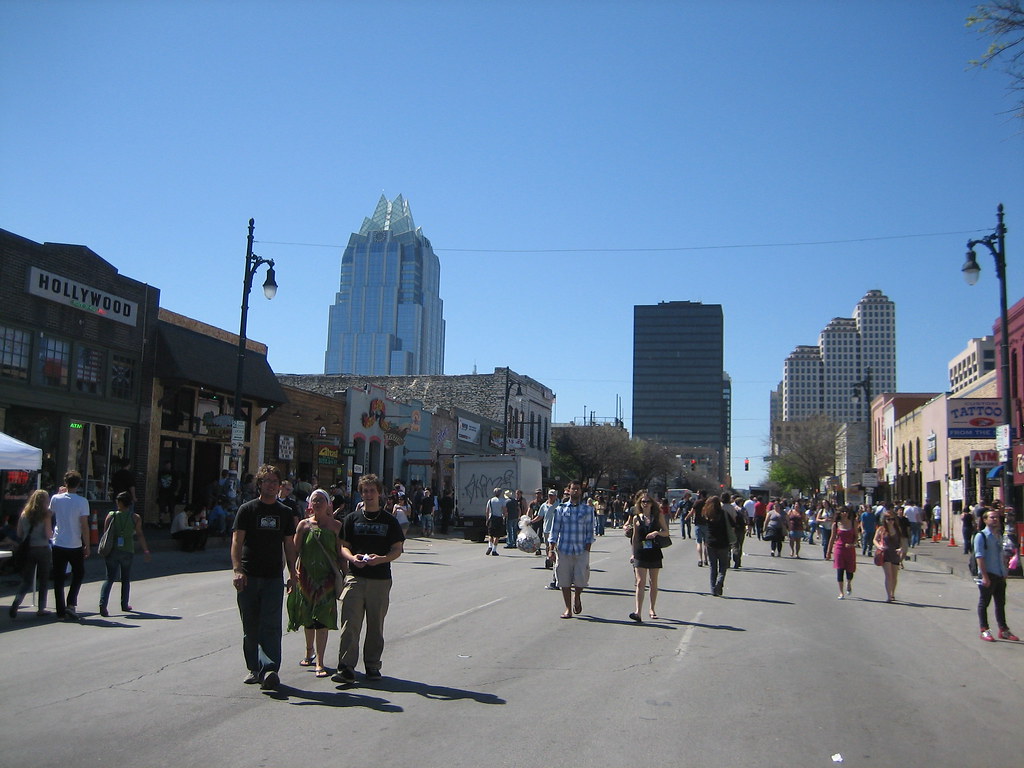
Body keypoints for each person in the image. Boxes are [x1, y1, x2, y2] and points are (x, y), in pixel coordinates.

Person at [231, 465, 298, 690]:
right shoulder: (247, 509)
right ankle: (254, 668)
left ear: (280, 486)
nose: (270, 484)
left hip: (272, 577)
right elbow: (237, 542)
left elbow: (289, 544)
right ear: (259, 484)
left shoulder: (285, 512)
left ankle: (270, 669)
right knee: (250, 627)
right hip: (249, 577)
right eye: (266, 481)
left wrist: (293, 572)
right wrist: (238, 569)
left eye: (274, 481)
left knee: (270, 625)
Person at [333, 474, 405, 683]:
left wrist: (381, 559)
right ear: (361, 493)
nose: (368, 494)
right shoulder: (352, 519)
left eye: (372, 490)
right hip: (355, 577)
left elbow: (397, 549)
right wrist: (352, 558)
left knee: (375, 626)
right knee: (350, 624)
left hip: (380, 580)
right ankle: (346, 667)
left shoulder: (389, 521)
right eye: (365, 491)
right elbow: (343, 547)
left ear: (379, 493)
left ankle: (372, 666)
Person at [287, 488, 343, 677]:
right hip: (306, 579)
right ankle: (308, 650)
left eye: (321, 500)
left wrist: (346, 575)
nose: (317, 503)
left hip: (326, 581)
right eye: (314, 500)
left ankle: (320, 661)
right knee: (308, 619)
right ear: (310, 504)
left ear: (328, 504)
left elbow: (341, 553)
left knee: (322, 619)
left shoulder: (336, 527)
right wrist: (291, 574)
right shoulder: (303, 525)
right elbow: (294, 551)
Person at [99, 491, 151, 617]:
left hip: (112, 550)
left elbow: (105, 532)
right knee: (125, 578)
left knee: (109, 578)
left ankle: (103, 604)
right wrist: (146, 550)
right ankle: (124, 604)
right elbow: (139, 534)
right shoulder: (135, 518)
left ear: (120, 503)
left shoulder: (111, 515)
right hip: (128, 550)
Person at [548, 481, 594, 619]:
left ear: (581, 491)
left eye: (578, 489)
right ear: (569, 490)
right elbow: (554, 530)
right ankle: (568, 608)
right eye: (573, 489)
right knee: (564, 580)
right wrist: (551, 549)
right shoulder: (561, 509)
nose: (575, 491)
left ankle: (577, 596)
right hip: (564, 550)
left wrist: (587, 549)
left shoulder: (587, 510)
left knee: (581, 581)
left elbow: (590, 531)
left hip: (581, 550)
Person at [50, 470, 90, 621]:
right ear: (78, 484)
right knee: (78, 573)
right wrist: (86, 544)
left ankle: (60, 611)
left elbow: (50, 513)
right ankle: (71, 603)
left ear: (65, 483)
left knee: (59, 577)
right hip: (74, 543)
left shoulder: (55, 498)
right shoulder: (82, 501)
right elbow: (84, 525)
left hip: (59, 542)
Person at [974, 508, 1019, 642]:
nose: (995, 520)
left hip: (999, 575)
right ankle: (984, 630)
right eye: (992, 517)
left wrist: (1005, 571)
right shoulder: (981, 536)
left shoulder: (999, 535)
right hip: (988, 575)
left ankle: (1003, 630)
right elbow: (979, 557)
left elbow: (1001, 555)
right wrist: (985, 576)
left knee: (1000, 604)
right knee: (984, 603)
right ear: (985, 520)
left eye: (996, 518)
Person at [8, 489, 53, 619]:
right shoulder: (46, 514)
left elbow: (19, 533)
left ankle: (17, 601)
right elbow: (48, 534)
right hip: (43, 548)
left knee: (27, 580)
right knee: (43, 580)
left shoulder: (24, 514)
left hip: (29, 549)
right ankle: (41, 608)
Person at [626, 491, 669, 622]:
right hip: (640, 552)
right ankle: (638, 612)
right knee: (640, 582)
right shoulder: (636, 518)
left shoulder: (658, 516)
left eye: (647, 502)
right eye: (643, 502)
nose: (645, 504)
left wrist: (656, 533)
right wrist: (633, 553)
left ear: (652, 504)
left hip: (654, 552)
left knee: (653, 582)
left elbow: (666, 532)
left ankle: (652, 608)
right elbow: (634, 537)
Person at [702, 495, 731, 597]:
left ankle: (713, 589)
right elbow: (732, 524)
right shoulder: (723, 514)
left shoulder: (707, 514)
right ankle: (719, 581)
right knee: (723, 566)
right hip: (723, 543)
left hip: (710, 543)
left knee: (713, 567)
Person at [828, 506, 859, 599]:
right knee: (840, 570)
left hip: (850, 549)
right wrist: (828, 552)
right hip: (839, 549)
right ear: (839, 513)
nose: (844, 513)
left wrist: (853, 544)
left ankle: (849, 583)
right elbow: (832, 538)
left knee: (850, 570)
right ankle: (841, 592)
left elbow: (857, 537)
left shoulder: (853, 522)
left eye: (846, 511)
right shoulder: (836, 524)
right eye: (843, 512)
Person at [873, 509, 903, 603]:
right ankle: (888, 595)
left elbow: (902, 541)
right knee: (888, 575)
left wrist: (901, 549)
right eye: (888, 519)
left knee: (894, 576)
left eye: (892, 519)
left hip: (895, 553)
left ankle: (892, 593)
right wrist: (879, 546)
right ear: (884, 520)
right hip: (885, 553)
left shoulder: (898, 529)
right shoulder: (881, 529)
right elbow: (875, 540)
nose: (890, 521)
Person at [155, 460, 181, 527]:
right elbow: (159, 483)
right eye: (166, 465)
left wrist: (177, 491)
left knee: (172, 507)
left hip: (171, 492)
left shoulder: (174, 473)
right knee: (162, 507)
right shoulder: (161, 472)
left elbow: (178, 482)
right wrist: (157, 492)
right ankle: (161, 521)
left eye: (169, 465)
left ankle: (172, 522)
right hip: (163, 492)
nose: (167, 466)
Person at [484, 487, 506, 556]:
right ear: (500, 493)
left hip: (492, 518)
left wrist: (487, 519)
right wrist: (504, 517)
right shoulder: (502, 501)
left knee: (490, 534)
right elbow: (504, 511)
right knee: (497, 536)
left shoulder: (490, 501)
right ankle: (494, 550)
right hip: (499, 518)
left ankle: (490, 546)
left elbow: (487, 511)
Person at [689, 491, 709, 566]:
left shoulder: (697, 502)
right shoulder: (708, 503)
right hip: (707, 524)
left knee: (699, 542)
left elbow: (692, 512)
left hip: (698, 524)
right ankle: (706, 559)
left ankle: (700, 559)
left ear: (700, 495)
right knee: (706, 543)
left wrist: (687, 518)